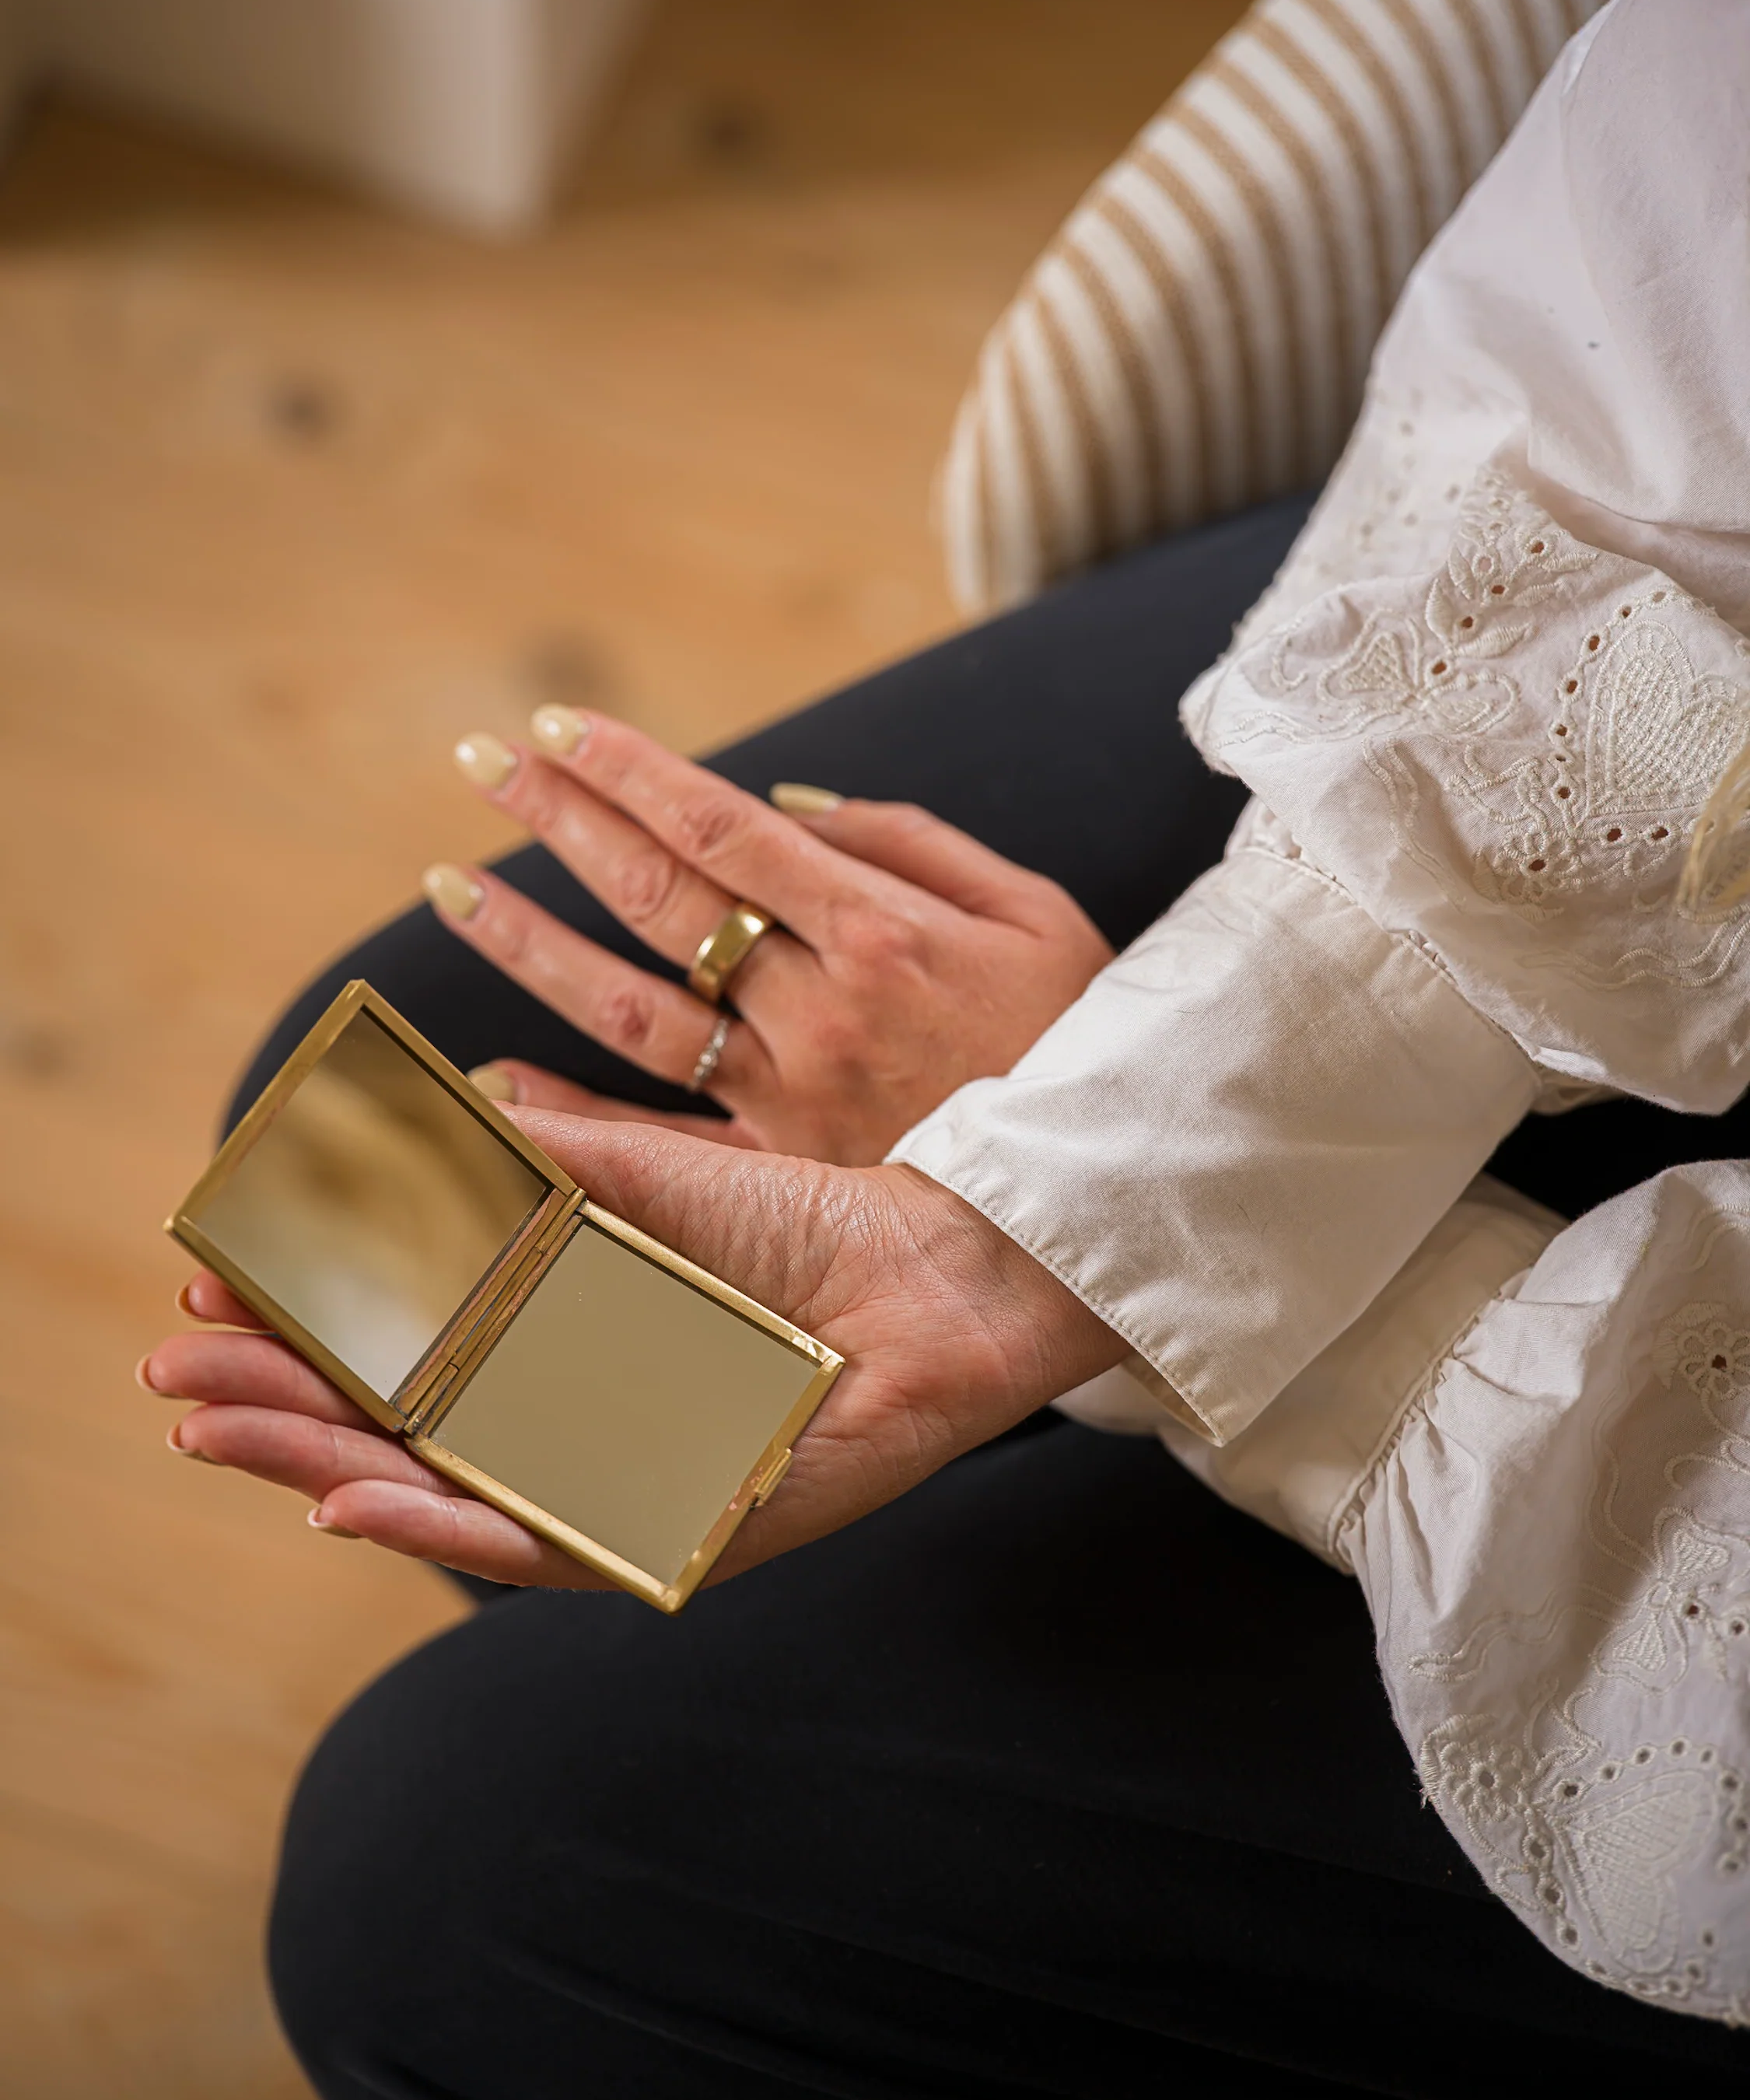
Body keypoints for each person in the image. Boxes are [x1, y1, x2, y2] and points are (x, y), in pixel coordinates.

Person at [138, 0, 1750, 2088]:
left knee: (444, 1876)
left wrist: (1180, 1286)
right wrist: (1089, 1170)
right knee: (429, 1102)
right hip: (1654, 583)